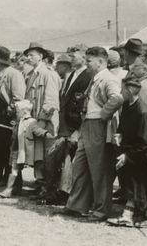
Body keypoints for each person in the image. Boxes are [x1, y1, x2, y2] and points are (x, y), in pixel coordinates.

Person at [63, 46, 123, 222]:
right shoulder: (94, 79)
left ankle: (101, 209)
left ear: (100, 61)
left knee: (99, 170)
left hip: (97, 125)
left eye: (89, 61)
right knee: (80, 165)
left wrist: (103, 115)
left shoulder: (107, 79)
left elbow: (117, 98)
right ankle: (76, 205)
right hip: (87, 125)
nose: (86, 64)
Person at [108, 77, 147, 228]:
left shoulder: (144, 113)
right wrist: (120, 135)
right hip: (136, 152)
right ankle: (128, 215)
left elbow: (145, 141)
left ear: (128, 91)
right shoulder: (128, 105)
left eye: (122, 90)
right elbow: (126, 127)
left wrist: (127, 156)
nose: (120, 92)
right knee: (131, 185)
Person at [41, 44, 92, 205]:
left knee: (71, 162)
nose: (71, 59)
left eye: (74, 56)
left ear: (83, 57)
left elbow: (82, 104)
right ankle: (55, 192)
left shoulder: (87, 76)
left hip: (74, 126)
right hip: (64, 125)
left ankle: (67, 194)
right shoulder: (71, 75)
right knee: (57, 160)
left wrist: (77, 129)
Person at [0, 46, 26, 185]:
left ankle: (9, 180)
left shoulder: (14, 74)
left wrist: (12, 112)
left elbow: (18, 97)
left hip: (9, 118)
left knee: (8, 150)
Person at [23, 42, 60, 195]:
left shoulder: (48, 73)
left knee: (48, 155)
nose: (29, 58)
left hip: (47, 122)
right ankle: (40, 184)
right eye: (28, 55)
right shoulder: (33, 74)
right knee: (37, 155)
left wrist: (42, 122)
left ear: (40, 56)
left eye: (32, 55)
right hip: (35, 120)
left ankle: (49, 188)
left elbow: (51, 101)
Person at [0, 100, 53, 198]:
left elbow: (37, 130)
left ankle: (42, 190)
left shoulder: (31, 122)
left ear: (24, 112)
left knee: (20, 169)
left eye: (17, 112)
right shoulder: (18, 122)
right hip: (16, 149)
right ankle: (12, 189)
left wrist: (45, 133)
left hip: (24, 151)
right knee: (14, 170)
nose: (16, 113)